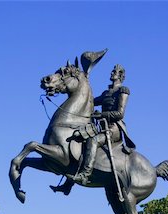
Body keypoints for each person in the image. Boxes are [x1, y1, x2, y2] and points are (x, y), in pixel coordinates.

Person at [50, 64, 135, 194]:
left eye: (116, 72)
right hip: (102, 127)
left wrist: (101, 114)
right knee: (79, 141)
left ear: (121, 76)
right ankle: (68, 185)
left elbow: (120, 113)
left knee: (93, 140)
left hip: (114, 129)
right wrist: (79, 90)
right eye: (112, 70)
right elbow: (89, 101)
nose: (113, 73)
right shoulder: (106, 93)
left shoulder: (122, 90)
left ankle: (85, 174)